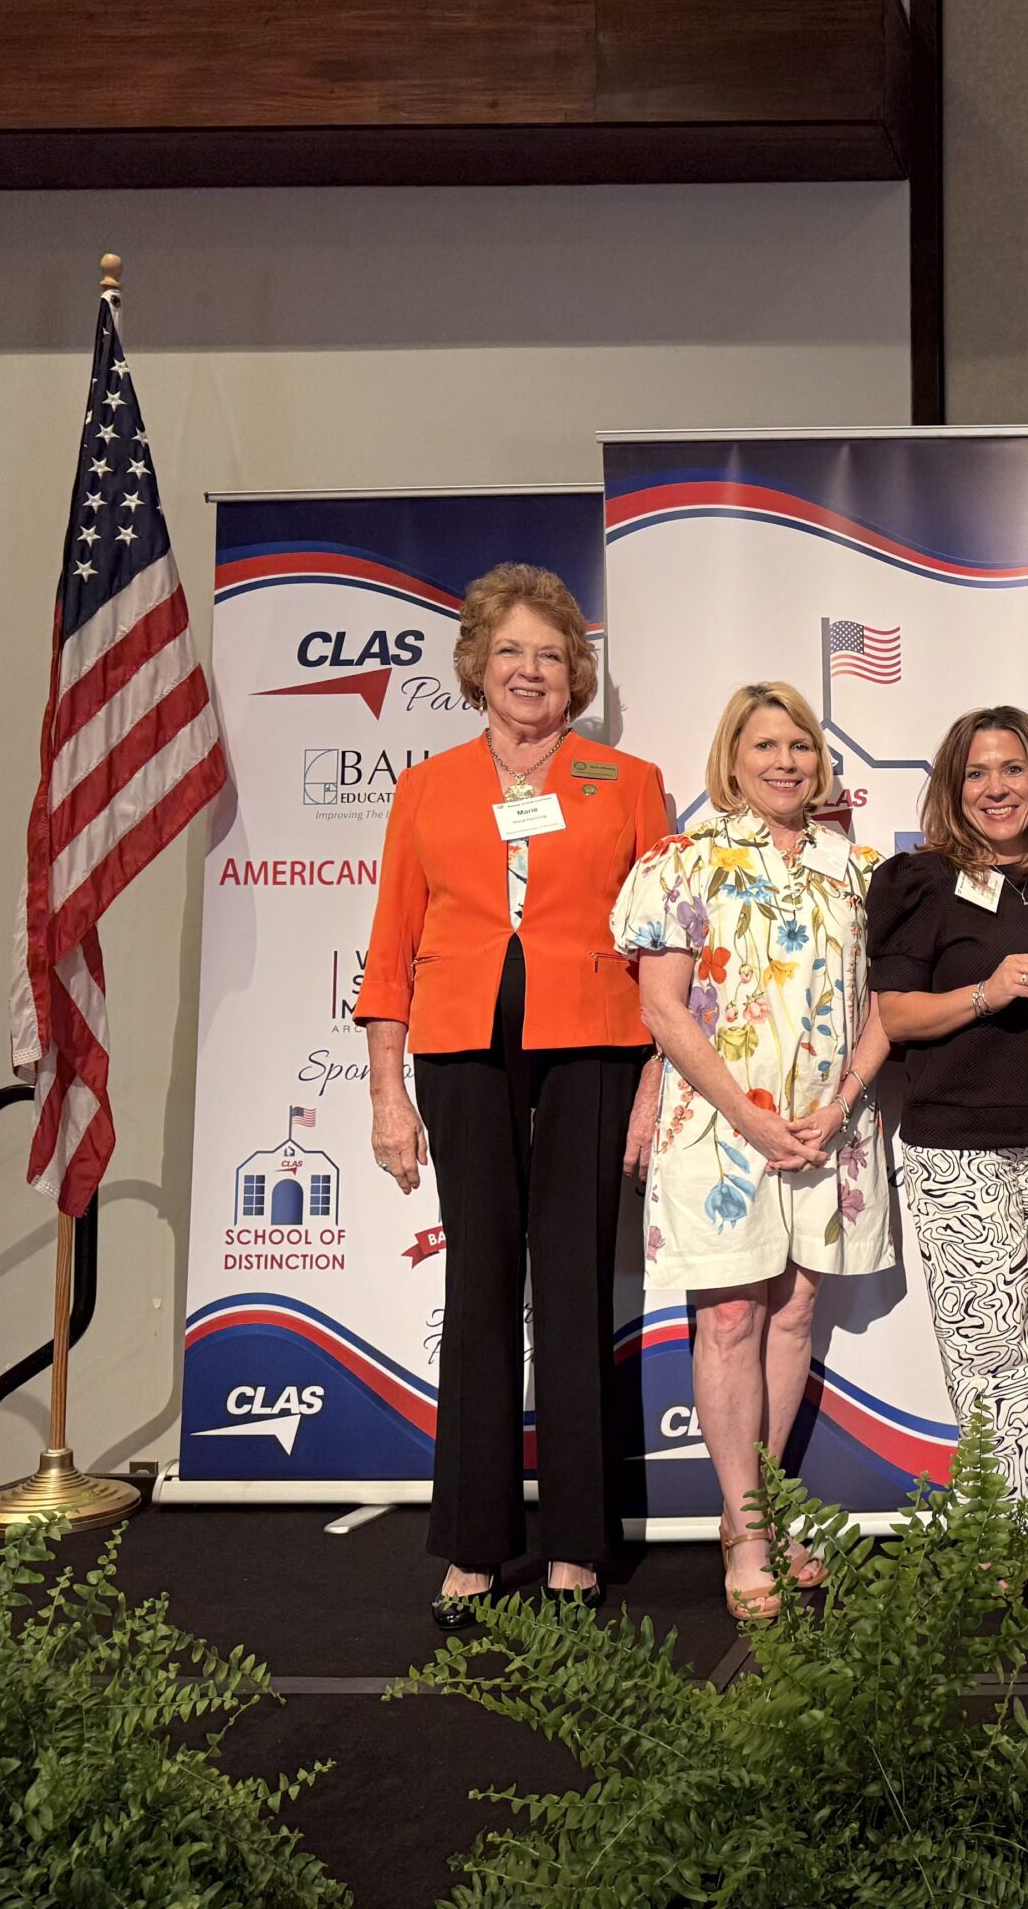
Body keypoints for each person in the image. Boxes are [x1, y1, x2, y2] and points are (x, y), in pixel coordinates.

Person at [355, 562, 668, 1627]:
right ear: (478, 668)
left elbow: (668, 946)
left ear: (574, 672)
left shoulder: (627, 782)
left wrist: (657, 1080)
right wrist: (385, 1093)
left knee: (575, 1289)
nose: (529, 670)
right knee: (479, 1292)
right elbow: (391, 946)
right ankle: (475, 1545)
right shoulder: (427, 787)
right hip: (459, 1051)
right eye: (510, 653)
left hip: (593, 1046)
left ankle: (577, 1543)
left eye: (549, 653)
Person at [612, 683, 892, 1621]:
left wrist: (837, 1105)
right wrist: (750, 1115)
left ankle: (766, 1510)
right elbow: (661, 1008)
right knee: (730, 1317)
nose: (785, 762)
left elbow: (886, 1005)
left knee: (794, 1313)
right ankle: (745, 1527)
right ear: (733, 760)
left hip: (828, 1130)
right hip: (722, 1134)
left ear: (821, 762)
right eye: (765, 745)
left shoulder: (860, 870)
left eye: (800, 747)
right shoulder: (680, 864)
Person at [867, 707, 1028, 1614]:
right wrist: (985, 990)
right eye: (976, 774)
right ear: (952, 789)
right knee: (989, 1351)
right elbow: (894, 1017)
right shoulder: (921, 881)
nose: (996, 787)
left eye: (1012, 769)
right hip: (959, 1146)